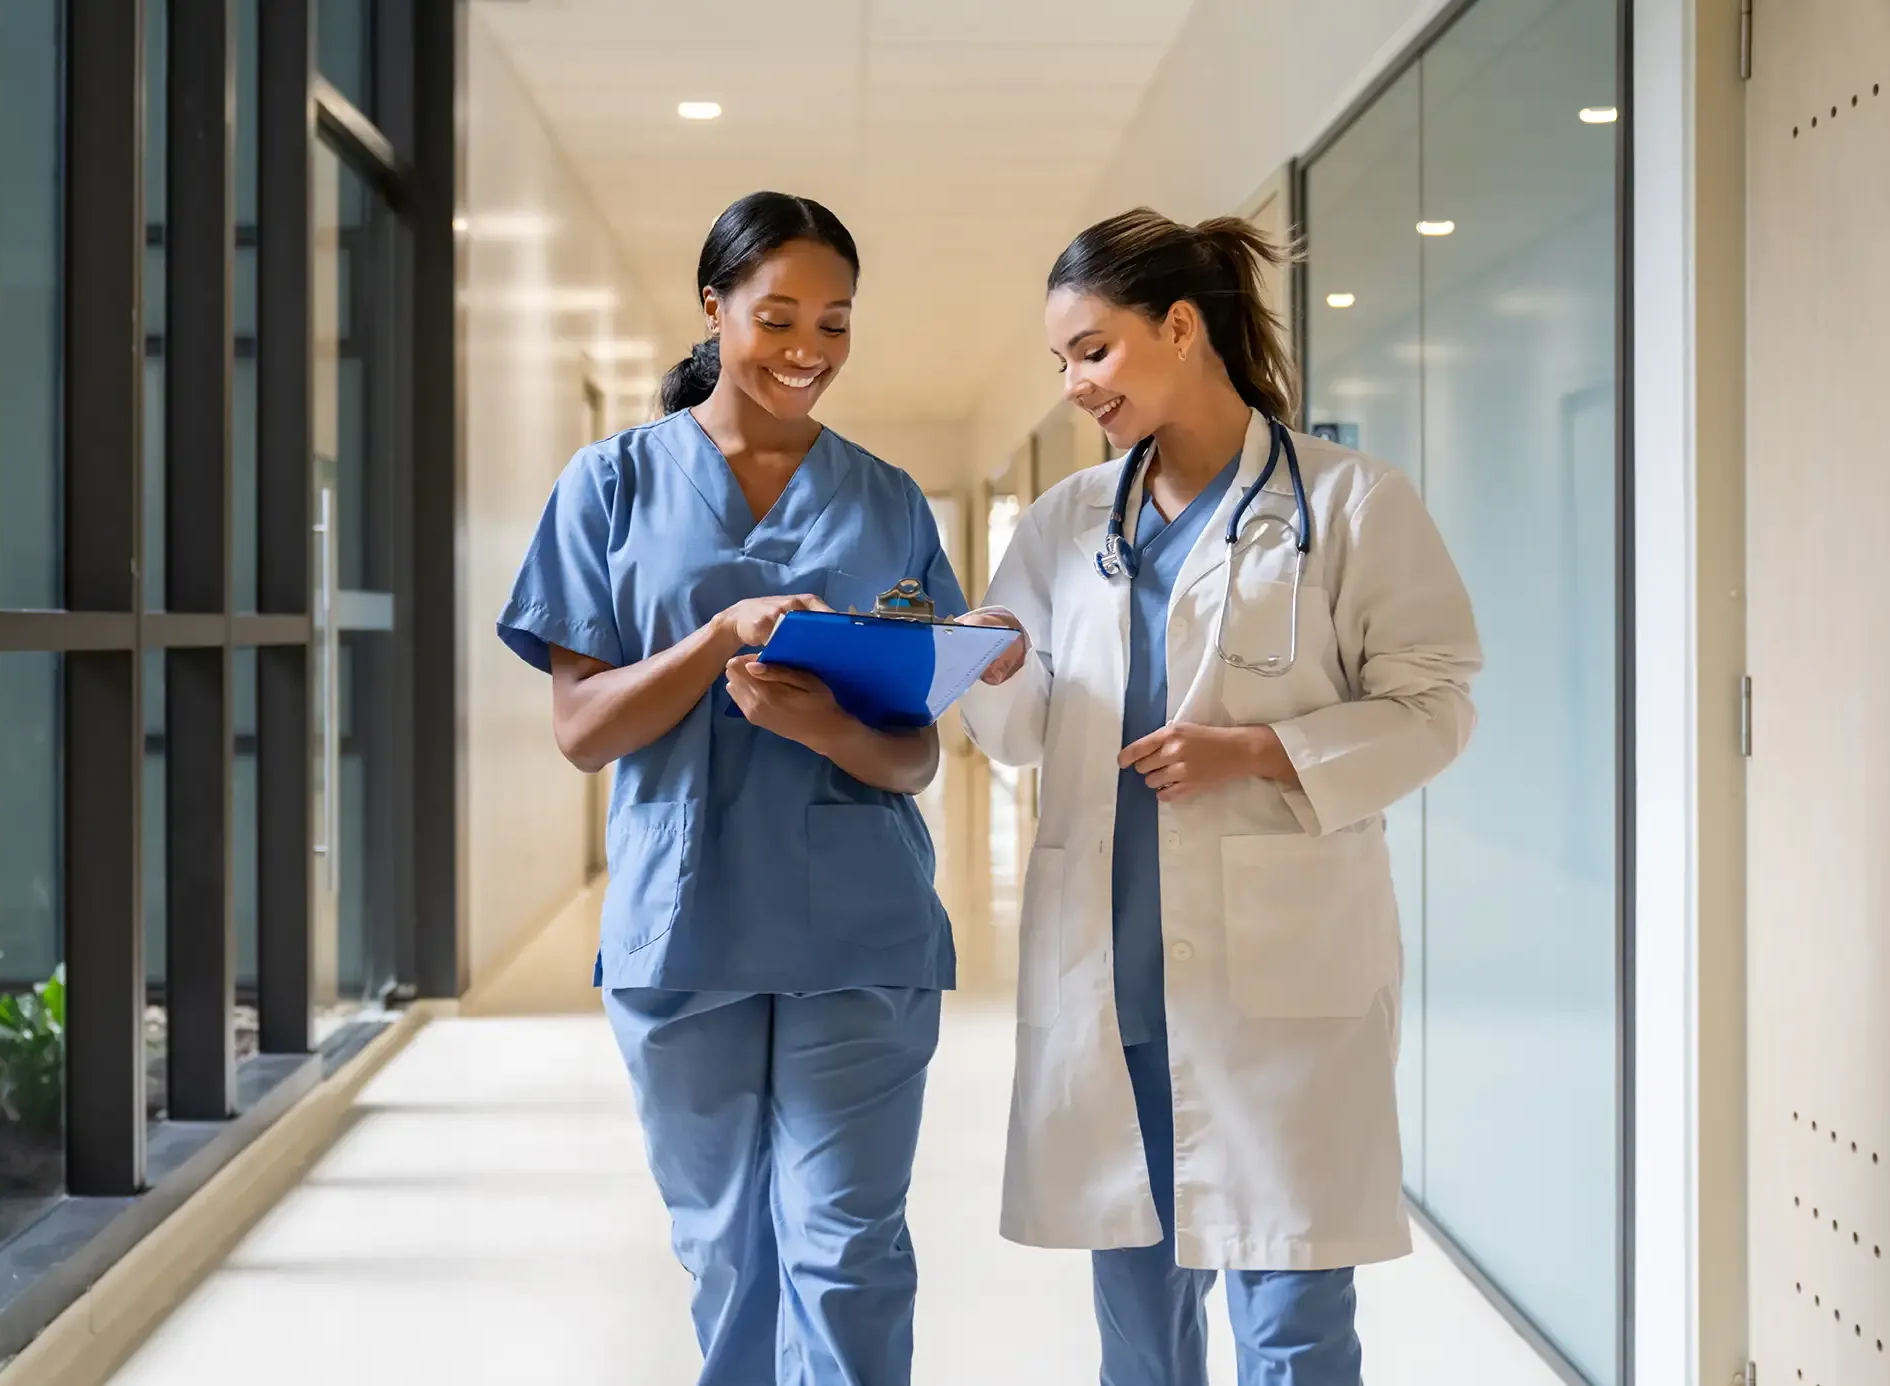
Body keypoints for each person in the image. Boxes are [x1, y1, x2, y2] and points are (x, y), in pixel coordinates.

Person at [957, 208, 1482, 1384]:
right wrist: (997, 664)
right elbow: (1027, 727)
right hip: (1110, 977)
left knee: (1291, 1319)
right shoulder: (1062, 522)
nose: (1073, 385)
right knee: (1139, 1330)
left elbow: (1435, 707)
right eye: (1059, 362)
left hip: (1276, 983)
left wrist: (1256, 752)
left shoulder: (1350, 505)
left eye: (1090, 350)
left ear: (1180, 326)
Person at [497, 190, 966, 1386]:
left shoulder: (888, 500)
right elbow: (582, 730)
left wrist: (825, 726)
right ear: (712, 311)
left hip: (859, 921)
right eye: (776, 317)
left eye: (835, 322)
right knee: (726, 1254)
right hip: (682, 919)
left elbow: (913, 753)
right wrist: (714, 641)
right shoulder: (609, 487)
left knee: (850, 1246)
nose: (808, 349)